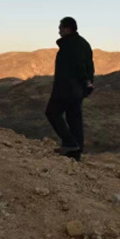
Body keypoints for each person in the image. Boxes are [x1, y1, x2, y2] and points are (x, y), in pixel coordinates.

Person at [45, 17, 95, 162]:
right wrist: (87, 84)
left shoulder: (70, 45)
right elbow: (89, 66)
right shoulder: (83, 43)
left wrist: (84, 80)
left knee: (52, 112)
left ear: (67, 29)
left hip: (66, 88)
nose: (59, 31)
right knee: (74, 119)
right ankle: (76, 152)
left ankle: (69, 143)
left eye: (60, 28)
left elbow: (79, 65)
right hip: (77, 89)